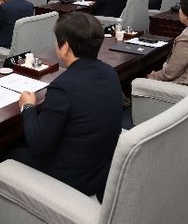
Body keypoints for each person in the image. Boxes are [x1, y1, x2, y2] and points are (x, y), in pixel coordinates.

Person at [14, 12, 122, 200]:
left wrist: (28, 107)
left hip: (74, 178)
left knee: (8, 154)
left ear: (65, 47)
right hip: (100, 169)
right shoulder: (110, 73)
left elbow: (39, 146)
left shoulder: (63, 87)